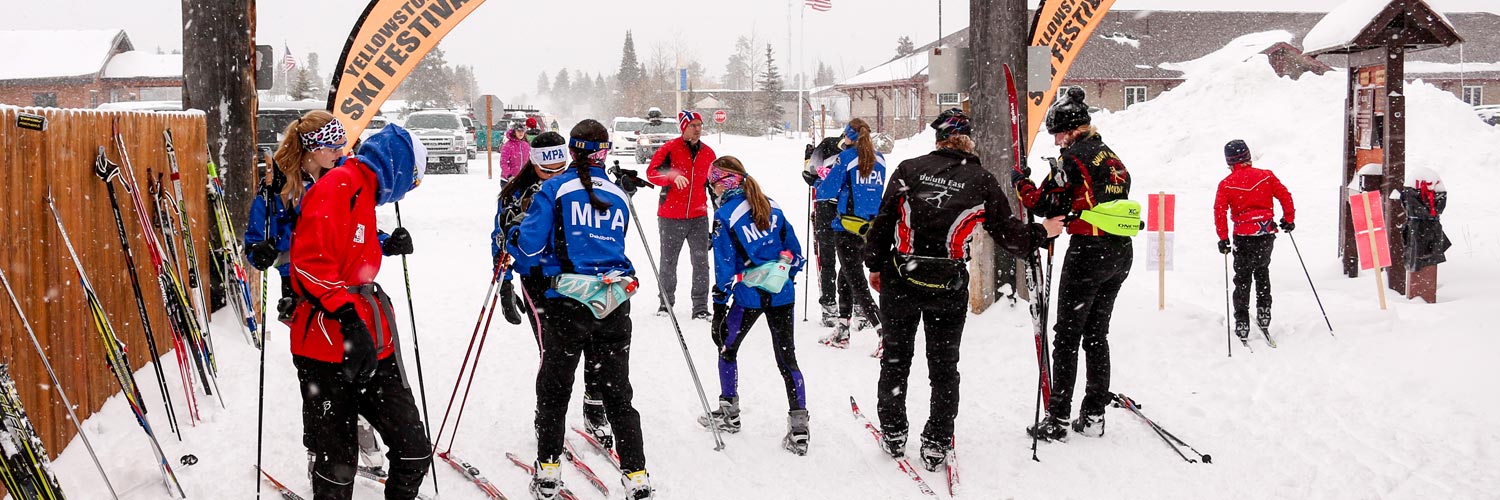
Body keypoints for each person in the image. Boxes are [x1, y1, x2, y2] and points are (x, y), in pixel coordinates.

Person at [863, 109, 1062, 470]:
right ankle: (937, 440)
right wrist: (1042, 232)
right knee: (943, 366)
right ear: (968, 140)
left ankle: (893, 432)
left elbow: (884, 220)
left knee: (895, 359)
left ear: (938, 139)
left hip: (901, 277)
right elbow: (1009, 236)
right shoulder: (981, 180)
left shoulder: (909, 169)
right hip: (948, 283)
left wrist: (874, 264)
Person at [247, 110, 397, 480]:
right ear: (311, 150)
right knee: (320, 372)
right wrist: (262, 253)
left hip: (343, 290)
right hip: (301, 295)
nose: (341, 151)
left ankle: (360, 432)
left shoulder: (343, 177)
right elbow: (255, 244)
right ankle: (321, 447)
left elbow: (353, 231)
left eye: (342, 143)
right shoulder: (277, 188)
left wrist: (386, 243)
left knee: (357, 362)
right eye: (332, 145)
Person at [510, 120, 654, 499]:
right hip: (613, 303)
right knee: (619, 394)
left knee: (555, 390)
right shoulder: (619, 194)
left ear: (571, 152)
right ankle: (636, 474)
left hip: (568, 303)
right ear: (605, 151)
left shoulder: (553, 188)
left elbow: (527, 252)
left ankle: (548, 470)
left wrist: (513, 236)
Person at [287, 119, 430, 500]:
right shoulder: (339, 184)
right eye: (411, 181)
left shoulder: (361, 190)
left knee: (414, 450)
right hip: (327, 346)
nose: (406, 192)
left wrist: (384, 243)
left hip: (372, 342)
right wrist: (348, 319)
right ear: (398, 166)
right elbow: (310, 262)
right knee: (338, 465)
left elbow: (347, 249)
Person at [1015, 87, 1134, 441]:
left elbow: (1047, 204)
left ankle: (1058, 418)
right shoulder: (1111, 157)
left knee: (1066, 336)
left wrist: (1021, 183)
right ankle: (1094, 414)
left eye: (1057, 135)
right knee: (1097, 335)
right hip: (1119, 250)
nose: (1056, 142)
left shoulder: (1073, 158)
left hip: (1089, 253)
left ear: (1070, 130)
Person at [490, 131, 616, 448]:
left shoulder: (578, 183)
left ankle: (594, 404)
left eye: (560, 167)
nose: (554, 174)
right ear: (533, 163)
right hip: (538, 281)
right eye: (547, 169)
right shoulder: (514, 194)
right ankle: (547, 417)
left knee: (595, 344)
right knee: (554, 354)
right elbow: (500, 239)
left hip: (578, 276)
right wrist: (503, 283)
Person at [699, 156, 811, 455]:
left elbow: (723, 267)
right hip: (781, 295)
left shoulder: (725, 215)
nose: (712, 189)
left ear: (724, 182)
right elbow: (796, 253)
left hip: (747, 297)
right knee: (788, 361)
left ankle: (729, 412)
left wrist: (719, 307)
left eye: (713, 183)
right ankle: (800, 428)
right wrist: (781, 275)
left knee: (727, 348)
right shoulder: (773, 205)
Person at [813, 119, 885, 354]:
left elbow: (825, 191)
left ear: (848, 136)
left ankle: (884, 333)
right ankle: (843, 331)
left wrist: (821, 175)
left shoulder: (846, 158)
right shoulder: (880, 158)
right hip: (870, 229)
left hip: (847, 228)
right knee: (846, 277)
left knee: (856, 282)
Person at [1213, 139, 1295, 340]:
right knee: (1262, 270)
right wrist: (1288, 219)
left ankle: (1242, 320)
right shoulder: (1266, 176)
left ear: (1229, 162)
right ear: (1248, 157)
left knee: (1242, 277)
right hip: (1266, 233)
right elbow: (1285, 195)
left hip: (1243, 236)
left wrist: (1223, 238)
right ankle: (1264, 311)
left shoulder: (1226, 184)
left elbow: (1219, 211)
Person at [645, 110, 717, 320]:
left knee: (701, 262)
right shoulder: (670, 149)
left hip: (698, 216)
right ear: (683, 127)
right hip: (670, 216)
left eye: (700, 125)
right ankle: (666, 304)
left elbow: (713, 184)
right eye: (693, 125)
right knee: (668, 262)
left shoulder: (709, 153)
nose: (697, 129)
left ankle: (701, 307)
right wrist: (672, 175)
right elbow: (652, 172)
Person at [801, 137, 851, 327]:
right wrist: (808, 159)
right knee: (829, 260)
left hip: (848, 210)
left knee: (848, 261)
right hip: (828, 209)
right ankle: (830, 307)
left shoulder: (862, 151)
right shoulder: (828, 145)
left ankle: (852, 307)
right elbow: (809, 175)